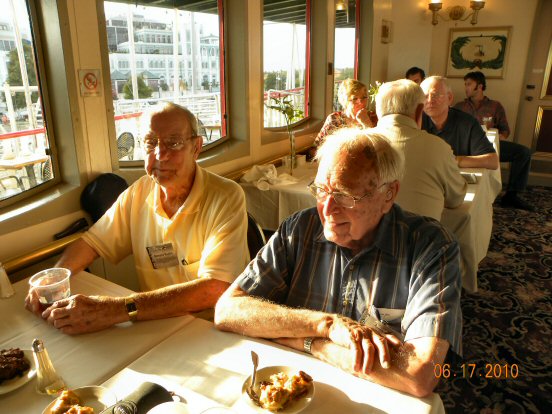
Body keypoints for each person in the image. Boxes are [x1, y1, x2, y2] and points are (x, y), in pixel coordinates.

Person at [215, 128, 462, 398]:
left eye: (345, 195)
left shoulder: (430, 247)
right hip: (297, 396)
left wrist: (312, 344)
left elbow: (421, 373)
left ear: (388, 194)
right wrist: (326, 325)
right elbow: (228, 310)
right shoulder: (299, 229)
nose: (327, 209)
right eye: (321, 190)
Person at [25, 102, 250, 334]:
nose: (160, 154)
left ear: (196, 147)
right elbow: (91, 243)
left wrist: (115, 309)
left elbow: (214, 288)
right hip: (155, 324)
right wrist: (54, 278)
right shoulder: (139, 192)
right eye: (151, 143)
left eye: (173, 143)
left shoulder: (226, 196)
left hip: (212, 328)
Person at [374, 79, 467, 220]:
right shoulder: (438, 147)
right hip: (420, 233)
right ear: (419, 112)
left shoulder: (356, 144)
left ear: (378, 110)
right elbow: (456, 199)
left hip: (364, 233)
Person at [454, 71, 533, 211]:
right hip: (466, 147)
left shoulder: (495, 106)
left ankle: (511, 195)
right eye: (465, 84)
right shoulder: (459, 107)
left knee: (523, 152)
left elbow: (505, 130)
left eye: (469, 84)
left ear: (479, 86)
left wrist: (497, 138)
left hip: (490, 147)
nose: (465, 88)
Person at [420, 76, 499, 170]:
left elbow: (492, 161)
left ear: (449, 98)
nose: (429, 101)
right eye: (425, 96)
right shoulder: (416, 121)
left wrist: (451, 160)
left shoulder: (468, 123)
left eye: (435, 95)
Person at [313, 79, 376, 150]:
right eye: (355, 98)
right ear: (344, 101)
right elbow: (317, 147)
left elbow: (379, 147)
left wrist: (367, 123)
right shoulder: (335, 119)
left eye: (364, 97)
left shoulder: (373, 117)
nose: (361, 102)